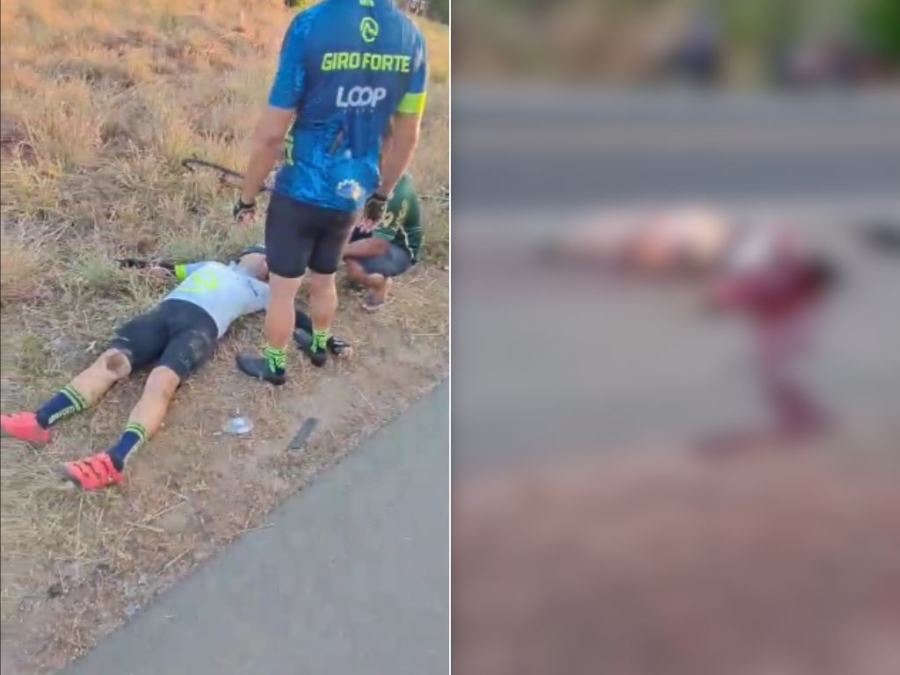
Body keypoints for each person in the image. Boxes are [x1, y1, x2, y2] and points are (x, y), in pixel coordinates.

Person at [232, 0, 429, 385]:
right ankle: (319, 346)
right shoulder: (411, 37)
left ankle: (275, 366)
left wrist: (247, 197)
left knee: (284, 291)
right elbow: (408, 135)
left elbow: (271, 133)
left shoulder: (310, 24)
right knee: (325, 277)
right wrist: (382, 195)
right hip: (352, 190)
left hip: (301, 187)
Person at [0, 248, 296, 491]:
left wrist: (318, 336)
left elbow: (293, 315)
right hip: (159, 317)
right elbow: (169, 269)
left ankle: (114, 461)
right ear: (244, 256)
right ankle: (39, 421)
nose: (268, 262)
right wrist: (135, 264)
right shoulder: (211, 265)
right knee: (112, 361)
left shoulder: (267, 292)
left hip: (197, 332)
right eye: (265, 255)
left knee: (161, 381)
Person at [342, 171, 422, 310]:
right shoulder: (367, 175)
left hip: (398, 247)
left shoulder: (397, 194)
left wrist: (337, 250)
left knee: (354, 266)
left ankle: (379, 285)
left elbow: (378, 246)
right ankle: (355, 276)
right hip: (372, 229)